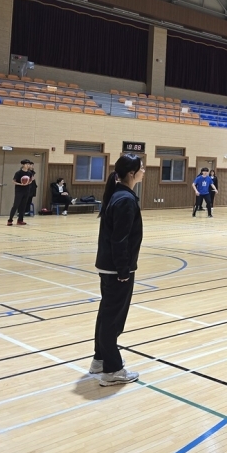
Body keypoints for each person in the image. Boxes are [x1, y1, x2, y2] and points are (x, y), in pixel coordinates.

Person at [91, 154, 144, 386]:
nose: (144, 172)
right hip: (116, 269)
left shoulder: (119, 195)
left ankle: (100, 359)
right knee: (113, 320)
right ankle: (112, 370)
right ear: (132, 173)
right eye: (141, 168)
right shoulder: (125, 200)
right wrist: (123, 270)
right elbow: (119, 239)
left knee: (106, 315)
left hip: (109, 267)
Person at [7, 159, 33, 226]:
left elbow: (31, 180)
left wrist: (28, 182)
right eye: (27, 164)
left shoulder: (30, 173)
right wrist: (21, 184)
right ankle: (10, 220)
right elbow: (13, 181)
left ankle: (20, 220)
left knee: (23, 206)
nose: (28, 165)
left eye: (29, 164)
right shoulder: (18, 173)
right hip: (19, 191)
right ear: (23, 165)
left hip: (26, 191)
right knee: (16, 205)